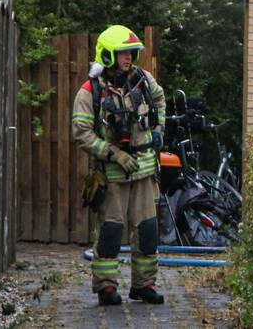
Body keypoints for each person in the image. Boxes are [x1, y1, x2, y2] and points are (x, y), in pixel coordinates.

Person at [72, 25, 167, 306]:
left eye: (131, 52)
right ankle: (106, 287)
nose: (129, 58)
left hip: (145, 171)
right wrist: (114, 153)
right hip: (112, 174)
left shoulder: (144, 80)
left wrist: (159, 129)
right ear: (108, 55)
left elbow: (160, 100)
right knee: (111, 232)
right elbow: (81, 133)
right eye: (123, 53)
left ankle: (144, 285)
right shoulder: (90, 91)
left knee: (147, 231)